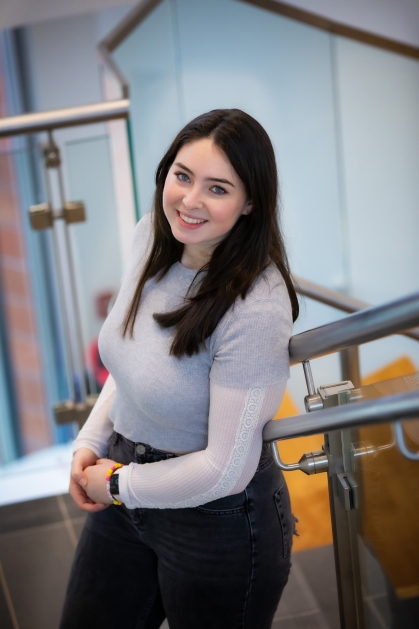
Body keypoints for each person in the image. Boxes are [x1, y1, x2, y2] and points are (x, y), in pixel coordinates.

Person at [60, 109, 299, 629]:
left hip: (217, 520)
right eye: (183, 176)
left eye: (217, 189)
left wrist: (120, 485)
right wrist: (92, 441)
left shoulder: (256, 307)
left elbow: (225, 468)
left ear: (249, 203)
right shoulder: (152, 236)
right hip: (124, 474)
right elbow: (130, 366)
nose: (189, 202)